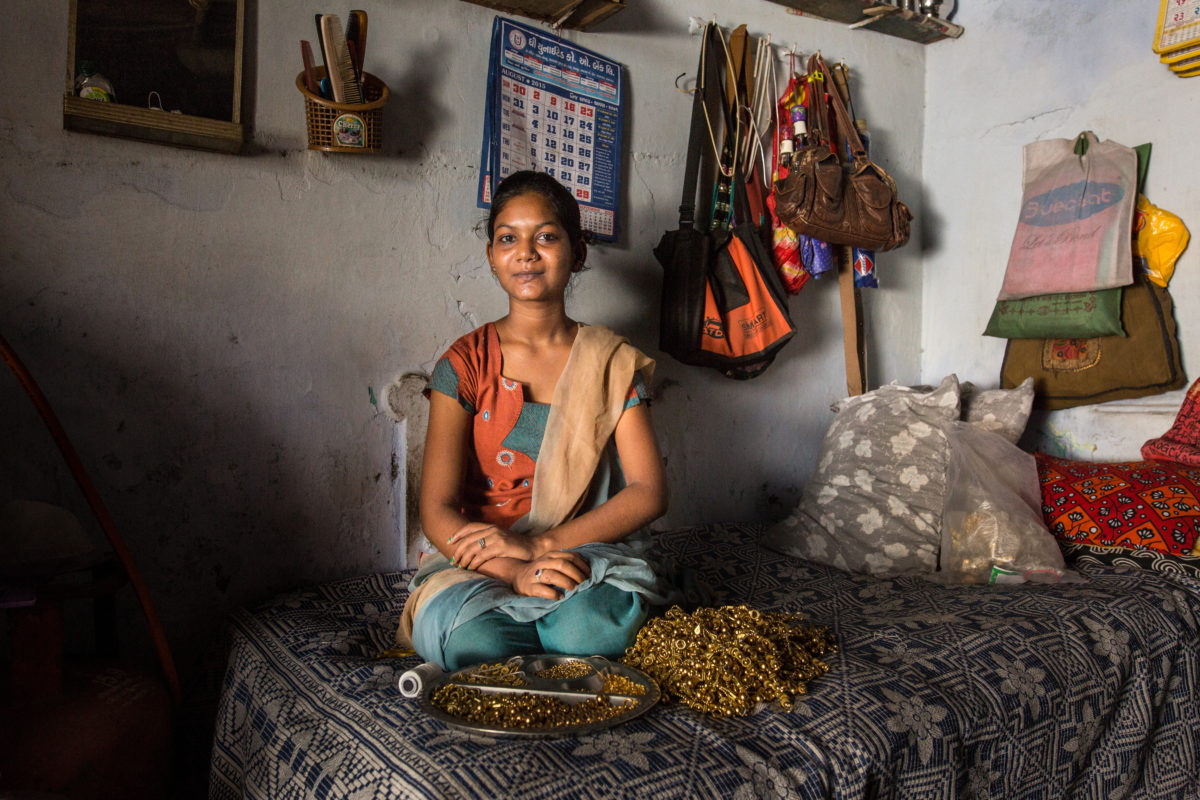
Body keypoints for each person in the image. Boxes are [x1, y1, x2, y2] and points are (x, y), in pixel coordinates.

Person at [396, 170, 670, 671]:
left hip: (582, 552)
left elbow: (649, 492)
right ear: (492, 257)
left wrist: (541, 545)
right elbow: (436, 511)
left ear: (578, 252)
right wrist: (515, 569)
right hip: (485, 560)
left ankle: (564, 626)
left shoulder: (611, 361)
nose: (526, 252)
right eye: (508, 238)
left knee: (585, 629)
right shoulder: (464, 365)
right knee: (468, 642)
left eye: (545, 236)